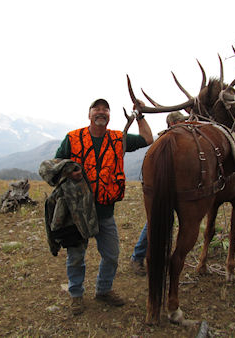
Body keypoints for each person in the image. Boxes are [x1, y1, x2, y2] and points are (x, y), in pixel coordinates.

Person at [55, 98, 153, 315]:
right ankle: (76, 295)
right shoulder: (73, 138)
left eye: (105, 109)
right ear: (89, 114)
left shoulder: (119, 139)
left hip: (105, 211)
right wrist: (68, 172)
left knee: (111, 254)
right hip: (77, 213)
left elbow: (147, 139)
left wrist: (140, 114)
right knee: (76, 257)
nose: (101, 112)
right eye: (96, 109)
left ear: (109, 115)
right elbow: (56, 165)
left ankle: (103, 290)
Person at [130, 111, 187, 276]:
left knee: (160, 223)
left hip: (178, 191)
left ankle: (149, 256)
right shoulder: (164, 142)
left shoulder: (181, 140)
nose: (182, 125)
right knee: (154, 223)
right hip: (161, 191)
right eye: (179, 122)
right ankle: (138, 257)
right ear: (171, 124)